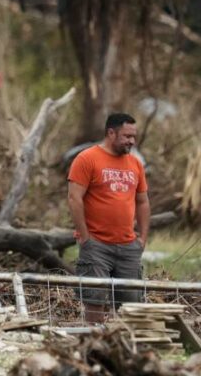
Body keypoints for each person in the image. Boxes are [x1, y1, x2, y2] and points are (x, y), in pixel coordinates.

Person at [67, 112, 151, 323]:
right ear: (111, 133)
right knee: (94, 300)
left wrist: (142, 239)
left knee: (131, 305)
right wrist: (85, 237)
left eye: (134, 136)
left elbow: (143, 202)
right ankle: (93, 344)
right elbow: (74, 198)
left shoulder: (135, 164)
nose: (132, 141)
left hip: (128, 245)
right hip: (96, 245)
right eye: (126, 136)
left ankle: (127, 349)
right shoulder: (87, 159)